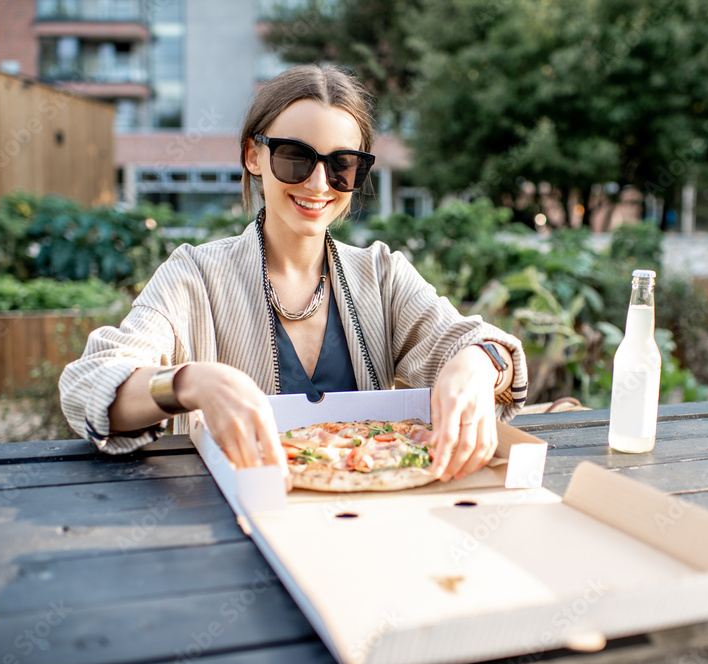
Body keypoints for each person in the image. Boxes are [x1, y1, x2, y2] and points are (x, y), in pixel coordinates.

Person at [59, 63, 528, 490]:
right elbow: (89, 386)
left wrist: (479, 361)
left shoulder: (381, 273)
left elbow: (474, 342)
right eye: (294, 157)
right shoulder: (194, 277)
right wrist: (187, 382)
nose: (319, 184)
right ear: (252, 156)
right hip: (228, 530)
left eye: (341, 165)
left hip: (365, 526)